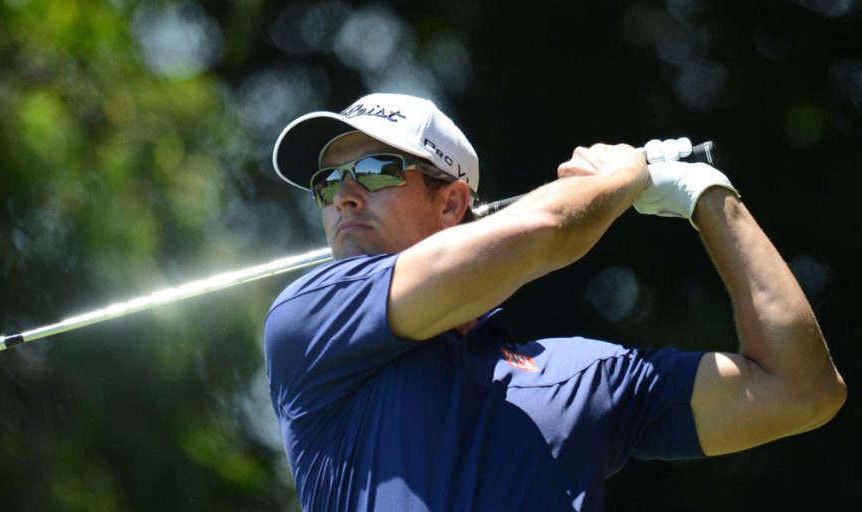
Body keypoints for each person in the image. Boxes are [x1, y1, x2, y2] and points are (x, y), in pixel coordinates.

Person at [263, 93, 846, 511]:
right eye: (329, 183)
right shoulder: (312, 318)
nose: (345, 197)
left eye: (374, 171)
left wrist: (706, 195)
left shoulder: (584, 375)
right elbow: (550, 231)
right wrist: (624, 177)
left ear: (452, 203)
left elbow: (801, 391)